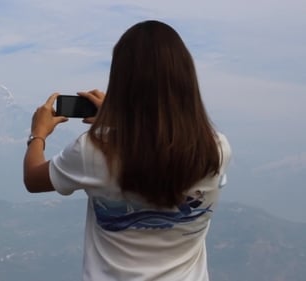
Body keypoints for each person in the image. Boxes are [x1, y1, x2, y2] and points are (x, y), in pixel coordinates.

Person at [23, 20, 231, 281]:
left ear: (122, 83)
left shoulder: (94, 151)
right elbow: (159, 147)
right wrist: (118, 120)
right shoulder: (217, 149)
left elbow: (33, 178)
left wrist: (38, 134)